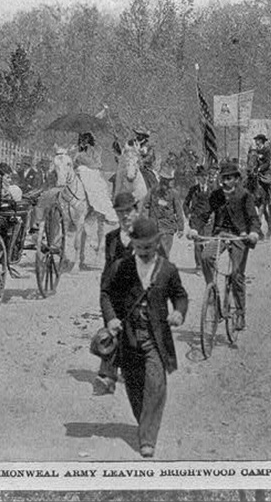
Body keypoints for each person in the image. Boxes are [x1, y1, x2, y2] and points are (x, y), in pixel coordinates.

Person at [100, 216, 188, 458]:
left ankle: (148, 438)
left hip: (155, 339)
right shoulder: (123, 267)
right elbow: (107, 293)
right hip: (129, 338)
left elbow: (180, 295)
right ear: (133, 244)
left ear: (158, 242)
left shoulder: (167, 270)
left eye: (149, 247)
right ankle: (145, 423)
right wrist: (111, 319)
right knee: (135, 387)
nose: (144, 252)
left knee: (156, 384)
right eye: (139, 247)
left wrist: (179, 312)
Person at [188, 161, 260, 330]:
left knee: (236, 274)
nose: (225, 182)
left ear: (236, 179)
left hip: (239, 237)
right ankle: (212, 292)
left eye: (229, 178)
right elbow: (203, 214)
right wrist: (194, 228)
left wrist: (254, 233)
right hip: (220, 234)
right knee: (205, 257)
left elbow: (253, 219)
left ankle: (240, 313)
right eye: (223, 178)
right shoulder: (216, 195)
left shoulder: (245, 196)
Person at [93, 192, 140, 396]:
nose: (125, 216)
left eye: (129, 211)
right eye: (120, 212)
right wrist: (110, 317)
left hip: (140, 304)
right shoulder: (111, 239)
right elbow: (106, 285)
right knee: (109, 332)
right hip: (117, 299)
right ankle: (108, 376)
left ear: (137, 211)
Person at [141, 165, 184, 259]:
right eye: (165, 180)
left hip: (167, 228)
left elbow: (179, 211)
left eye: (169, 181)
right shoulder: (152, 192)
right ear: (161, 180)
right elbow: (145, 206)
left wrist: (181, 228)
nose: (167, 183)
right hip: (154, 228)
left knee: (164, 253)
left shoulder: (174, 194)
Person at [183, 165, 213, 271]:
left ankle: (209, 264)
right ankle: (199, 265)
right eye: (202, 176)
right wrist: (188, 214)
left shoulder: (212, 189)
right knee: (197, 243)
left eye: (206, 176)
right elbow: (185, 203)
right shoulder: (193, 190)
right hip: (195, 220)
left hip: (208, 221)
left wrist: (213, 216)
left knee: (207, 243)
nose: (204, 178)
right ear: (198, 178)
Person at [253, 134, 271, 204]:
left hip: (265, 172)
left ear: (260, 141)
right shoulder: (255, 150)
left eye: (257, 140)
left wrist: (260, 168)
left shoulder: (267, 150)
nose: (255, 141)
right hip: (255, 170)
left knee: (268, 183)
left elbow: (267, 163)